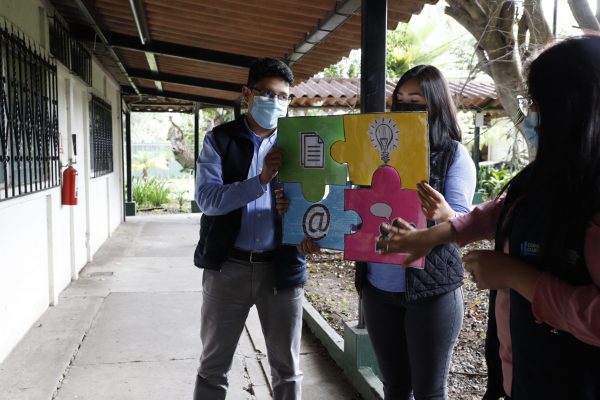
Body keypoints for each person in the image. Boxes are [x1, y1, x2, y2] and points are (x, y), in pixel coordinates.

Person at [376, 35, 600, 400]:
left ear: (573, 109)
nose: (531, 116)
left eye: (537, 104)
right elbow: (499, 210)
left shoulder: (591, 197)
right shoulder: (550, 176)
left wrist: (515, 275)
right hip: (523, 375)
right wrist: (430, 236)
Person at [288, 65, 477, 399]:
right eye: (399, 98)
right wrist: (308, 226)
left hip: (431, 293)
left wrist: (445, 213)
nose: (404, 105)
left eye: (415, 99)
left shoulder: (453, 155)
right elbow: (347, 206)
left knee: (430, 392)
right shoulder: (370, 153)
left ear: (435, 103)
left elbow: (462, 222)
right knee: (395, 388)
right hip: (377, 290)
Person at [192, 57, 306, 400]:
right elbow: (208, 199)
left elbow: (320, 199)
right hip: (228, 268)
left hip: (282, 268)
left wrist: (299, 217)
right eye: (267, 93)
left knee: (287, 370)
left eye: (283, 96)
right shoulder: (220, 140)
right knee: (213, 368)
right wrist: (260, 181)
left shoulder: (301, 142)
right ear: (247, 94)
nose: (276, 101)